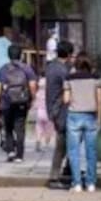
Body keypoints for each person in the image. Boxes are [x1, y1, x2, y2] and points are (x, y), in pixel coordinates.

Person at [0, 44, 37, 163]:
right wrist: (33, 98)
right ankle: (20, 155)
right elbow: (32, 85)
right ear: (21, 54)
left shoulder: (3, 69)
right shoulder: (27, 68)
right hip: (22, 101)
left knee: (8, 127)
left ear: (8, 55)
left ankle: (10, 151)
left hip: (6, 101)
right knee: (20, 128)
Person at [64, 53, 101, 192]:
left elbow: (66, 99)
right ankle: (91, 183)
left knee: (74, 152)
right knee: (91, 151)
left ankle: (77, 183)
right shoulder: (96, 78)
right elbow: (99, 100)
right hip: (91, 115)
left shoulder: (69, 78)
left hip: (74, 115)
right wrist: (99, 118)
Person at [44, 40, 74, 190]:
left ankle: (67, 170)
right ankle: (54, 177)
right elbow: (67, 91)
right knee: (61, 145)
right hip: (61, 110)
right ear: (69, 54)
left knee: (67, 142)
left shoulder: (51, 67)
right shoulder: (63, 71)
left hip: (53, 108)